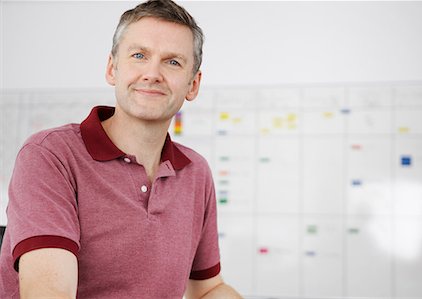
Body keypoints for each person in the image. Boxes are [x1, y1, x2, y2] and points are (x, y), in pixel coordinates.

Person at [0, 0, 242, 298]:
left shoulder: (196, 171)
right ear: (112, 69)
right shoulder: (50, 154)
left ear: (193, 85)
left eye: (173, 62)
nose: (152, 73)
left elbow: (209, 289)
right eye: (139, 55)